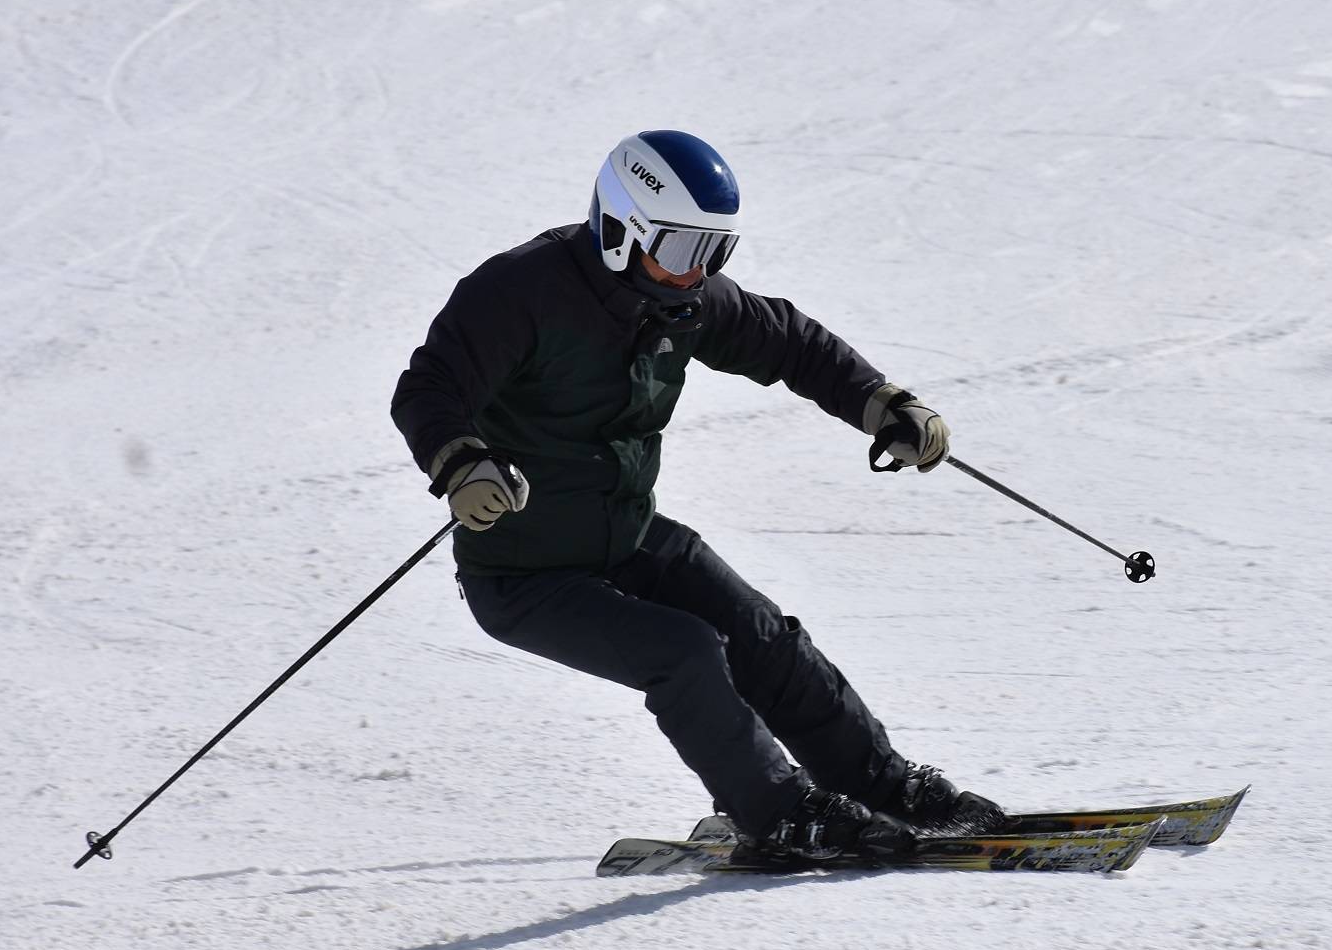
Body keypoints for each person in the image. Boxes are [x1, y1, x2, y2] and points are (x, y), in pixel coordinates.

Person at [391, 130, 1002, 864]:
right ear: (619, 229)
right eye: (680, 250)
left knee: (760, 632)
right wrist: (463, 466)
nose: (695, 274)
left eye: (713, 253)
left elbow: (791, 343)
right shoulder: (520, 292)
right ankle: (776, 813)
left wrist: (880, 402)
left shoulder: (679, 298)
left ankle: (882, 787)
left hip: (628, 533)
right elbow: (431, 386)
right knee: (682, 652)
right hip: (525, 572)